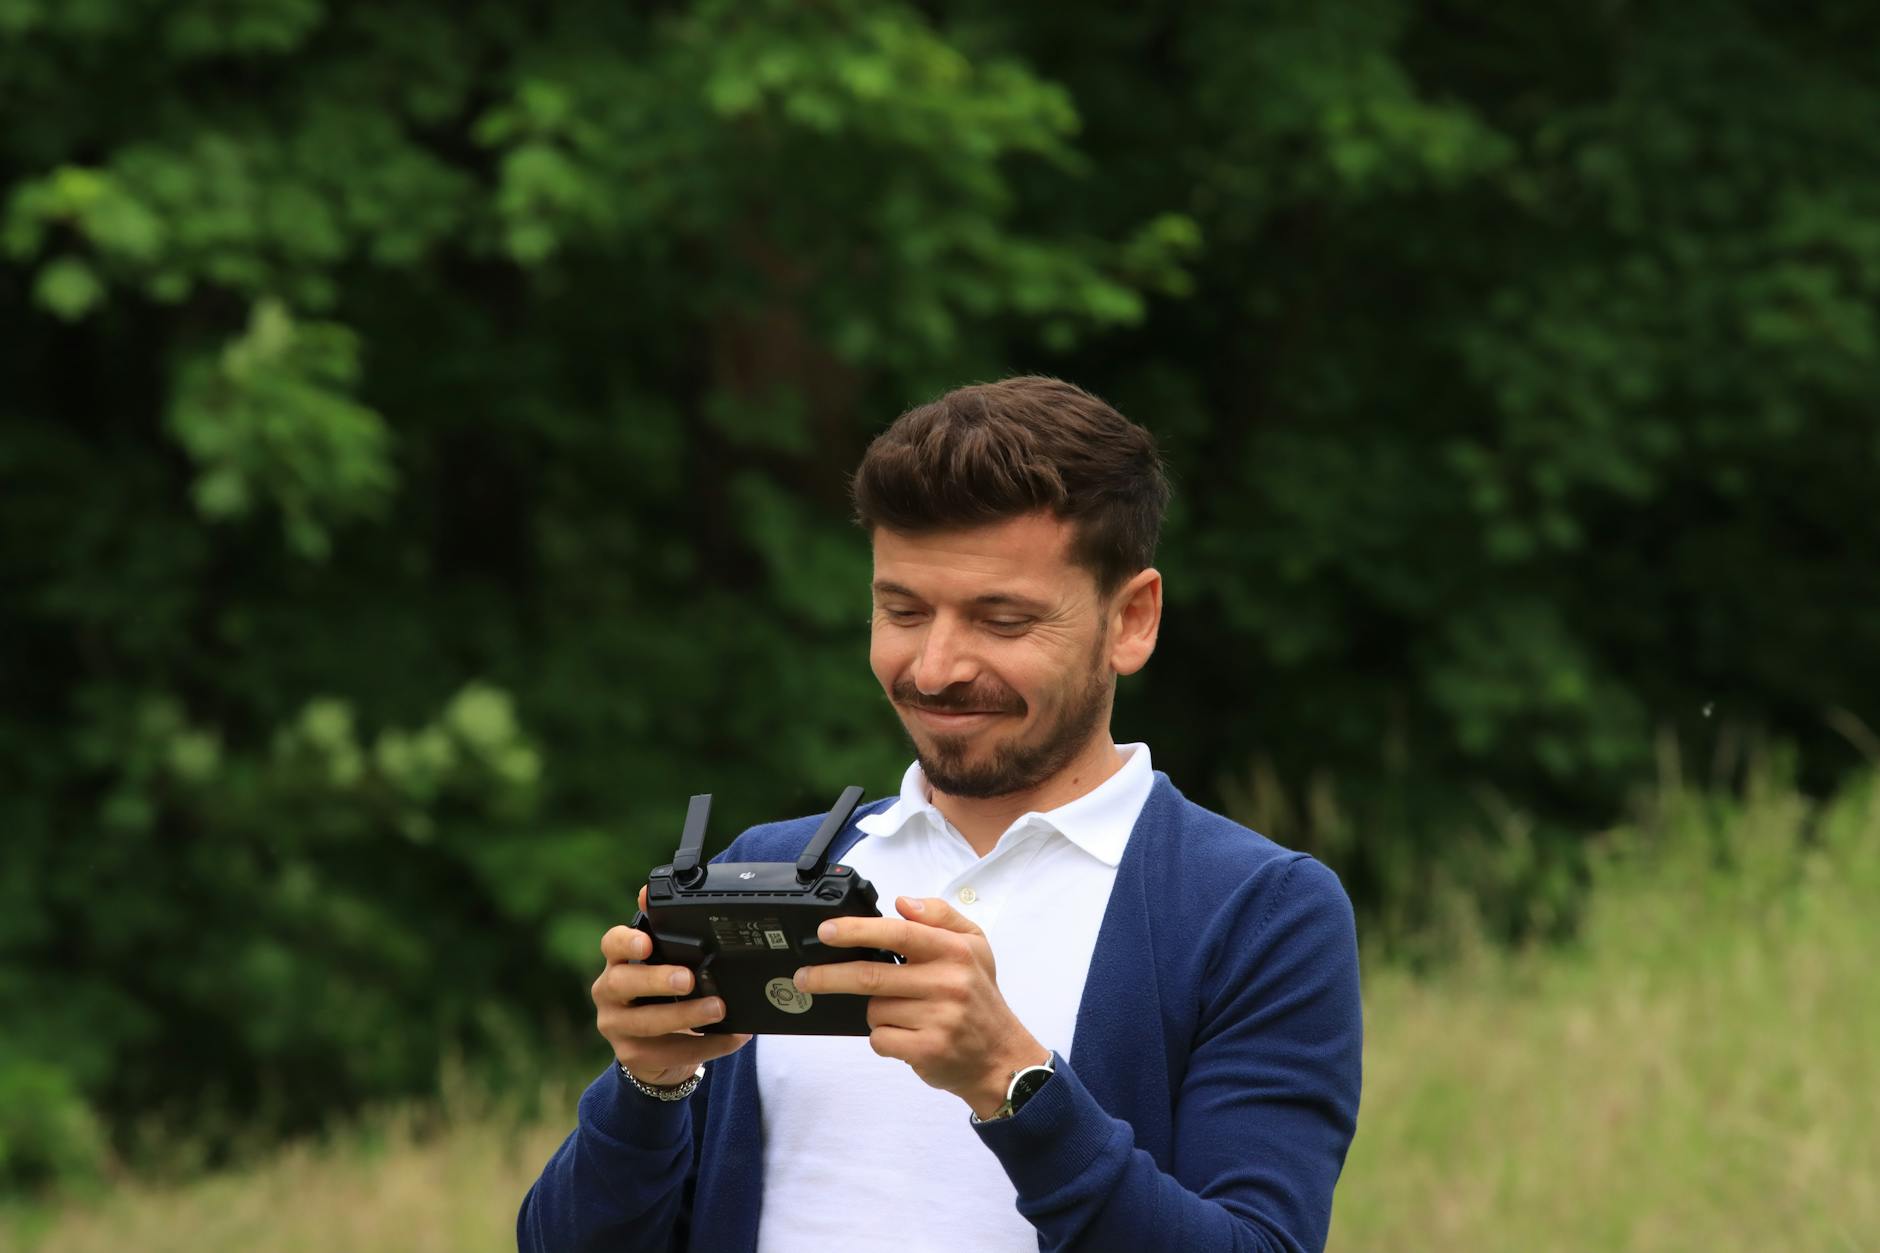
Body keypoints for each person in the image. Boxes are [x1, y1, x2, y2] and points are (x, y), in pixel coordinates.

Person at [517, 377, 1362, 1252]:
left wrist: (1012, 1081)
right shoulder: (762, 868)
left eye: (1002, 619)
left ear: (1132, 620)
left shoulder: (1257, 912)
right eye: (903, 610)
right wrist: (649, 1083)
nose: (937, 666)